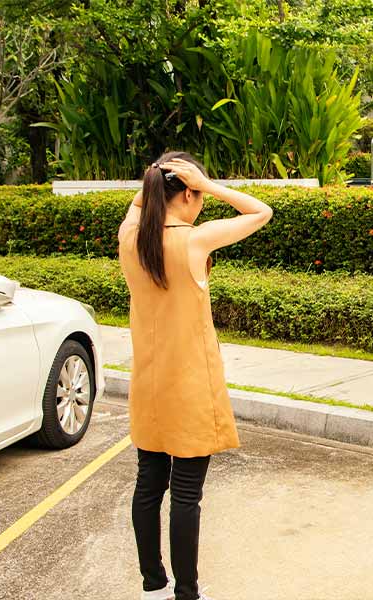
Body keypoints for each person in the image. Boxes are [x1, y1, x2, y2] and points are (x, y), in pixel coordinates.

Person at [117, 151, 274, 600]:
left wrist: (159, 175)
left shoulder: (130, 237)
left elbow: (140, 204)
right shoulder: (195, 240)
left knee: (149, 484)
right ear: (189, 192)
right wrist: (210, 182)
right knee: (186, 495)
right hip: (189, 385)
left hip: (147, 384)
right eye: (198, 193)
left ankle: (153, 586)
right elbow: (262, 211)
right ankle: (186, 593)